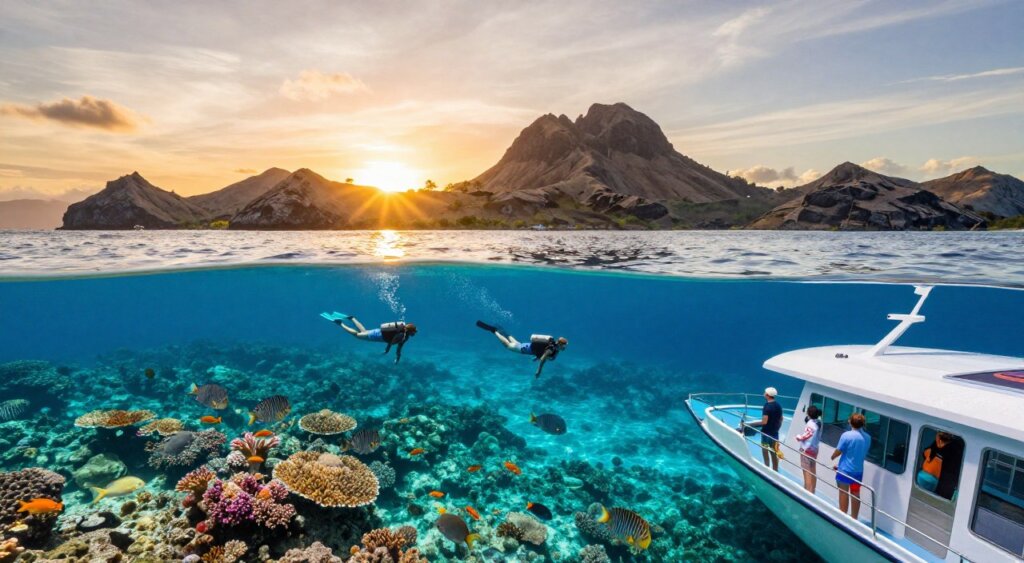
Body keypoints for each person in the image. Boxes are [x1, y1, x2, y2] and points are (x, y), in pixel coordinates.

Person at [476, 321, 567, 378]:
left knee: (515, 343)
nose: (565, 348)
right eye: (564, 346)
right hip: (524, 349)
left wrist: (536, 357)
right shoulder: (551, 349)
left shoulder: (555, 348)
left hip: (527, 346)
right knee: (508, 346)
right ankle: (494, 331)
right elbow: (543, 359)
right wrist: (538, 371)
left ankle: (504, 332)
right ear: (559, 344)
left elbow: (541, 353)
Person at [320, 312, 417, 364]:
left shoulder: (402, 333)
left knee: (364, 331)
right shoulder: (402, 337)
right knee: (357, 335)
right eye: (414, 332)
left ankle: (352, 318)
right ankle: (340, 323)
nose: (415, 333)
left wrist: (391, 353)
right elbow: (393, 344)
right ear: (410, 331)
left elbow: (395, 345)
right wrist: (391, 353)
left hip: (377, 331)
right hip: (374, 336)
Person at [831, 413, 871, 520]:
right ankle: (854, 518)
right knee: (855, 494)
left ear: (850, 422)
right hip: (858, 472)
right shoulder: (868, 438)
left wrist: (832, 457)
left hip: (845, 471)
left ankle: (843, 517)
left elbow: (839, 451)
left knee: (843, 492)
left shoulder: (846, 435)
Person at [743, 387, 784, 471]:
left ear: (767, 395)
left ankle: (766, 469)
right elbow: (781, 418)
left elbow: (764, 422)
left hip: (766, 433)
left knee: (765, 450)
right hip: (775, 433)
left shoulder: (767, 406)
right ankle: (775, 471)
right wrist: (777, 428)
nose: (764, 393)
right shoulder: (778, 405)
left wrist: (749, 424)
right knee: (773, 452)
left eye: (765, 392)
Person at [918, 431, 964, 500]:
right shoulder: (958, 447)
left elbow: (925, 454)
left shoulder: (935, 447)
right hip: (944, 486)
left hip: (938, 484)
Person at [794, 405, 822, 493]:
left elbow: (807, 435)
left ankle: (807, 493)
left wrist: (798, 437)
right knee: (813, 470)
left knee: (806, 472)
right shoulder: (819, 422)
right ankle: (812, 490)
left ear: (808, 413)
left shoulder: (810, 424)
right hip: (814, 449)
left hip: (806, 450)